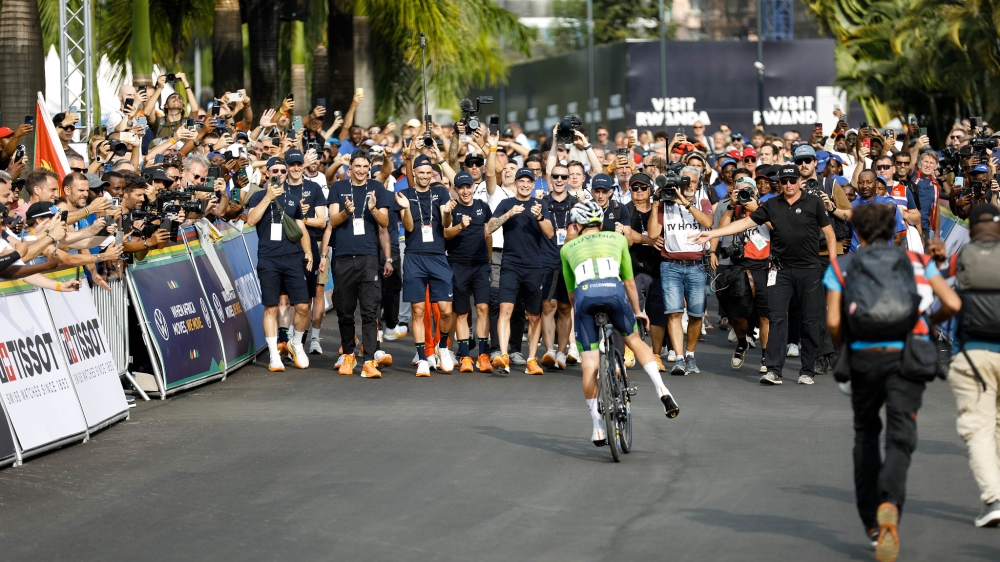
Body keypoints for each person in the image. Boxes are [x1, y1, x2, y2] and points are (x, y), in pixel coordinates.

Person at [825, 203, 959, 559]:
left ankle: (872, 523)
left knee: (866, 434)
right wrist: (928, 323)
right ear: (895, 229)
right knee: (901, 437)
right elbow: (951, 302)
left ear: (859, 233)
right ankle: (891, 504)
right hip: (906, 355)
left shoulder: (842, 265)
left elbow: (835, 323)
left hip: (865, 357)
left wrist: (845, 353)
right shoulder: (917, 261)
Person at [690, 164, 838, 385]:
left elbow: (829, 234)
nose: (788, 185)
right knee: (777, 318)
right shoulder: (771, 205)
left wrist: (834, 266)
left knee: (810, 320)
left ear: (799, 181)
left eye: (792, 180)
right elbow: (743, 223)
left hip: (810, 269)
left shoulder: (813, 202)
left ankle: (807, 370)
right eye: (784, 181)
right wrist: (711, 234)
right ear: (779, 184)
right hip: (780, 270)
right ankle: (773, 370)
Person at [560, 200, 679, 446]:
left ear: (577, 225)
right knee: (633, 340)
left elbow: (571, 295)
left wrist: (581, 318)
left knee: (589, 364)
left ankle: (597, 428)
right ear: (601, 223)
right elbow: (629, 282)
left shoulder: (567, 249)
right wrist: (638, 311)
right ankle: (662, 390)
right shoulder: (617, 240)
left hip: (584, 298)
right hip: (614, 294)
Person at [941, 203, 1000, 528]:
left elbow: (943, 295)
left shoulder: (961, 257)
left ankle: (993, 499)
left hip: (973, 353)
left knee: (979, 429)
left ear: (972, 229)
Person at [327, 150, 392, 377]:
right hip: (343, 257)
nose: (362, 170)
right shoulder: (338, 188)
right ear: (350, 168)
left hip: (368, 257)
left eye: (365, 166)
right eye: (358, 166)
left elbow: (384, 222)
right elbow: (333, 221)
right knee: (344, 310)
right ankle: (348, 354)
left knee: (369, 310)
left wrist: (373, 208)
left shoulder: (378, 189)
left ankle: (369, 360)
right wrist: (346, 212)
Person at [245, 169, 314, 372]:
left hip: (293, 258)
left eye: (282, 171)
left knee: (302, 305)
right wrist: (268, 197)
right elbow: (250, 220)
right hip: (268, 259)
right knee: (271, 308)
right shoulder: (257, 196)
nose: (280, 173)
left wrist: (308, 252)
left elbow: (301, 229)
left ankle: (297, 343)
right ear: (267, 173)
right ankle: (274, 355)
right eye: (275, 170)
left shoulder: (293, 199)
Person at [647, 166, 713, 376]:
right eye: (685, 182)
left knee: (695, 314)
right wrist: (657, 202)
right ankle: (680, 358)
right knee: (674, 312)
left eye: (692, 181)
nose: (689, 185)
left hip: (696, 266)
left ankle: (691, 355)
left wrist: (686, 204)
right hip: (670, 266)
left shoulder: (702, 201)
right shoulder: (665, 202)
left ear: (698, 183)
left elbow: (708, 222)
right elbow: (652, 233)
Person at [488, 167, 554, 374]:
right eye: (521, 181)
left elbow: (551, 234)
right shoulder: (506, 204)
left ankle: (531, 359)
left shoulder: (540, 204)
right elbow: (489, 228)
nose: (525, 185)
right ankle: (504, 355)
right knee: (505, 310)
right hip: (511, 264)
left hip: (534, 266)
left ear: (533, 185)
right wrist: (508, 214)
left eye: (529, 182)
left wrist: (540, 217)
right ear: (515, 183)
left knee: (534, 316)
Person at [397, 155, 456, 377]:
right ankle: (422, 357)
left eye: (428, 173)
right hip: (414, 256)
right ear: (413, 173)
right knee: (418, 310)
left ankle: (442, 346)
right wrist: (405, 208)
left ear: (433, 174)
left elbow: (445, 223)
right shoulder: (406, 195)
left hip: (438, 256)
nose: (424, 176)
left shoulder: (440, 192)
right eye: (420, 173)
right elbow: (409, 227)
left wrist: (448, 211)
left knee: (446, 310)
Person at [713, 177, 771, 374]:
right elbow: (721, 229)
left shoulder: (767, 206)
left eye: (748, 190)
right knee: (737, 315)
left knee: (765, 315)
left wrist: (755, 208)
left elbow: (776, 226)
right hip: (739, 265)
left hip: (763, 265)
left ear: (755, 192)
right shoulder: (735, 209)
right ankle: (741, 342)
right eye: (740, 191)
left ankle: (766, 355)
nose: (745, 194)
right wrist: (731, 205)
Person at [445, 171, 493, 372]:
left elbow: (487, 233)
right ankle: (465, 355)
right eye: (461, 187)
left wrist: (488, 260)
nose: (465, 191)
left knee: (483, 308)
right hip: (458, 265)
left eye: (468, 186)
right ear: (455, 190)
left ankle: (482, 354)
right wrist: (460, 226)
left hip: (480, 265)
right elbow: (446, 234)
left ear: (473, 187)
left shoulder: (482, 206)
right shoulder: (451, 209)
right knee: (462, 312)